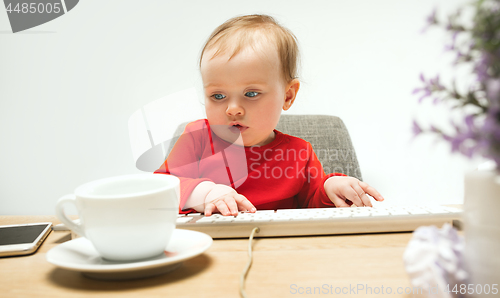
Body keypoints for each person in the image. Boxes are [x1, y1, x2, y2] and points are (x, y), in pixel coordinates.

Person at [155, 14, 384, 216]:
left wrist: (330, 188)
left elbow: (313, 205)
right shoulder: (198, 138)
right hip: (210, 246)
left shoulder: (299, 153)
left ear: (287, 96)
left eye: (251, 93)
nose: (232, 109)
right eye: (217, 96)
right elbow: (159, 187)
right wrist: (204, 193)